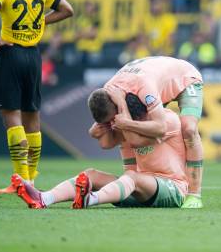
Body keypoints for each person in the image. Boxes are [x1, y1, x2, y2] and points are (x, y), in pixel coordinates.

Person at [0, 0, 74, 194]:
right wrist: (42, 20)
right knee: (32, 117)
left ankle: (21, 181)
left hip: (10, 54)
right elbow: (68, 10)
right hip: (34, 56)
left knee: (12, 117)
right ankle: (32, 180)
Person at [11, 93, 187, 209]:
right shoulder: (126, 126)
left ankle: (89, 199)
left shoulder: (167, 120)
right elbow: (101, 139)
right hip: (139, 190)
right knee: (91, 174)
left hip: (172, 189)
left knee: (132, 178)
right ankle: (44, 198)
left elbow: (137, 140)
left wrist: (125, 122)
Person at [87, 56, 204, 208]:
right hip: (150, 80)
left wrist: (127, 123)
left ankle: (194, 194)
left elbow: (160, 127)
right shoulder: (108, 92)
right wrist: (92, 131)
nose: (112, 122)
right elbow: (105, 138)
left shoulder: (145, 89)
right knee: (125, 127)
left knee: (189, 129)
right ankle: (134, 183)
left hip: (185, 78)